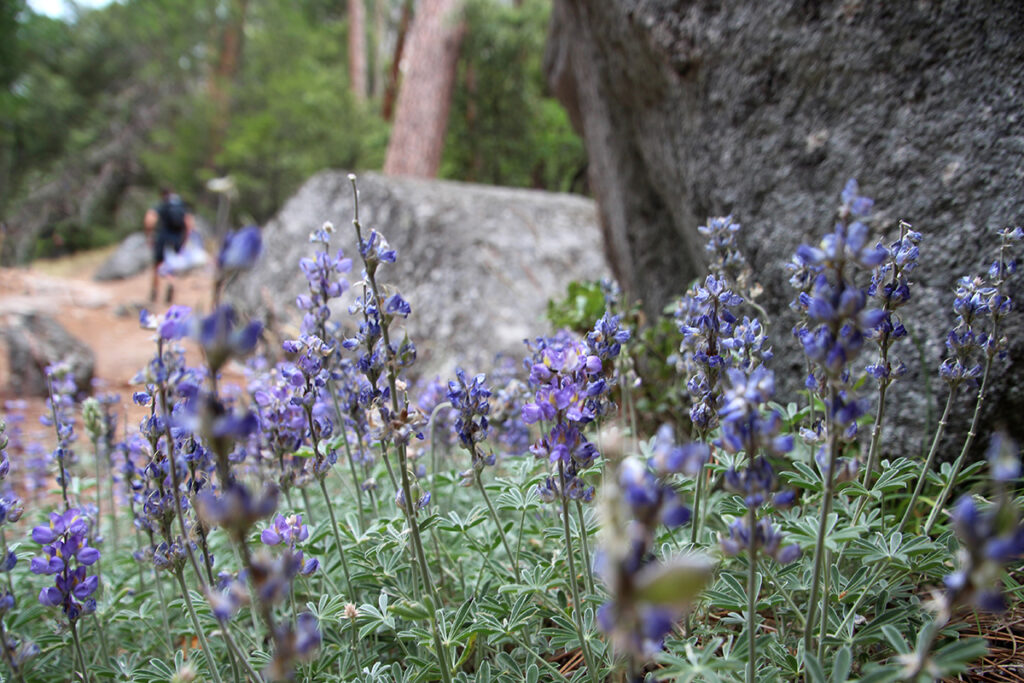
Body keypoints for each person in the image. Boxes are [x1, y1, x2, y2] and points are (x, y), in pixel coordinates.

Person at [144, 188, 194, 304]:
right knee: (173, 266)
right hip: (177, 239)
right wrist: (185, 240)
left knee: (158, 264)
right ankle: (171, 286)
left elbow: (149, 219)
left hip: (163, 238)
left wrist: (149, 234)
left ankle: (154, 292)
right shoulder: (182, 206)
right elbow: (188, 224)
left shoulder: (163, 204)